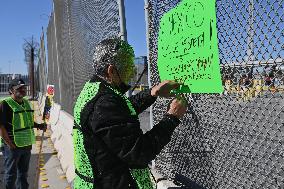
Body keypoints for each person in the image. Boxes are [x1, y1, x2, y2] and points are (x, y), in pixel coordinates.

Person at [72, 38, 188, 189]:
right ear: (111, 71)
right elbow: (139, 152)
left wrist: (152, 93)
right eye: (127, 66)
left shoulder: (97, 90)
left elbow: (120, 114)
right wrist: (172, 118)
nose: (133, 71)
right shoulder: (104, 103)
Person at [0, 78, 46, 189]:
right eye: (19, 88)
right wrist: (10, 145)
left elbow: (28, 122)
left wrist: (39, 126)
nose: (23, 90)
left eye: (24, 88)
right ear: (11, 90)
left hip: (26, 144)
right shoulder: (5, 104)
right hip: (12, 147)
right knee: (11, 175)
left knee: (23, 174)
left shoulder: (26, 102)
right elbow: (1, 127)